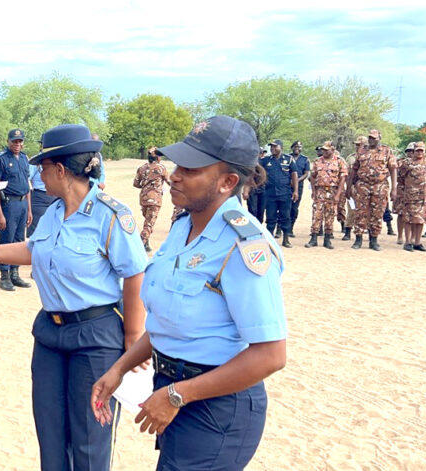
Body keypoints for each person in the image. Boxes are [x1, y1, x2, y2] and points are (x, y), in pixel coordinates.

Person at [91, 115, 287, 470]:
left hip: (216, 406)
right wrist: (120, 368)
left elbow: (270, 355)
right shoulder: (184, 227)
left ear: (228, 182)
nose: (174, 175)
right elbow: (171, 321)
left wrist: (178, 395)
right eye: (178, 163)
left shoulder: (243, 247)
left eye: (191, 169)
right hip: (172, 388)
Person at [0, 124, 147, 471]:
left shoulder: (110, 215)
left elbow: (134, 273)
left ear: (60, 170)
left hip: (96, 338)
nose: (38, 175)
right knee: (51, 434)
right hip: (51, 335)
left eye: (43, 168)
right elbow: (33, 249)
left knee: (88, 437)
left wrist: (133, 337)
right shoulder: (54, 211)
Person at [0, 128, 32, 291]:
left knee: (20, 241)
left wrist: (29, 210)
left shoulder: (24, 158)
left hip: (22, 204)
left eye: (20, 141)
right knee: (7, 240)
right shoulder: (0, 159)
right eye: (14, 141)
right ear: (8, 141)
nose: (18, 144)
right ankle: (4, 276)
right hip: (9, 204)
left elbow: (27, 185)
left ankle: (15, 273)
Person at [347, 129, 396, 251]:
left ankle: (373, 240)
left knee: (377, 213)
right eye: (370, 137)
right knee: (360, 212)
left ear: (379, 138)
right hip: (362, 186)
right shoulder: (362, 151)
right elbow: (354, 170)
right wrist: (348, 187)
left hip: (380, 186)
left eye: (374, 138)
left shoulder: (387, 151)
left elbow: (393, 169)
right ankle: (358, 239)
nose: (372, 140)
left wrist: (394, 188)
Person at [305, 141, 347, 249]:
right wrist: (314, 191)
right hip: (320, 191)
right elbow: (313, 176)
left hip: (332, 191)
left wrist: (338, 194)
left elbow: (342, 179)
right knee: (316, 214)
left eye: (326, 150)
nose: (324, 152)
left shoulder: (339, 161)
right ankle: (313, 238)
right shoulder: (318, 161)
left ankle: (327, 239)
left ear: (332, 150)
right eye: (323, 150)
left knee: (330, 215)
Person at [261, 139, 298, 247]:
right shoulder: (266, 160)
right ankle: (270, 240)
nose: (272, 148)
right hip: (270, 194)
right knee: (270, 217)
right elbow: (257, 169)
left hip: (285, 193)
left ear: (281, 147)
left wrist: (295, 191)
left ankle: (286, 239)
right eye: (271, 147)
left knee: (285, 216)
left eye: (275, 146)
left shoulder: (289, 159)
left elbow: (294, 175)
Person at [398, 142, 426, 252]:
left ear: (424, 152)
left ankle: (417, 242)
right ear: (413, 151)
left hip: (425, 197)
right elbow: (400, 178)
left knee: (421, 219)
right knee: (409, 219)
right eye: (417, 150)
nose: (419, 152)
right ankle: (408, 242)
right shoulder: (407, 164)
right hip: (411, 196)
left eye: (421, 150)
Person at [133, 146, 171, 251]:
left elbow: (136, 184)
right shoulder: (161, 168)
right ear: (157, 158)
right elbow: (169, 182)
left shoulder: (142, 168)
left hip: (144, 199)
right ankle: (139, 246)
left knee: (147, 221)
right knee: (149, 224)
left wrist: (146, 186)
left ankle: (146, 244)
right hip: (155, 199)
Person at [28, 135, 57, 237]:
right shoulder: (36, 160)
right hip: (39, 197)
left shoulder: (58, 159)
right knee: (36, 230)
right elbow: (28, 178)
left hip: (55, 197)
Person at [339, 137, 367, 240]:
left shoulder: (369, 157)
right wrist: (348, 187)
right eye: (356, 144)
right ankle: (347, 231)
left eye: (359, 144)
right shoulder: (351, 158)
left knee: (365, 211)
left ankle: (364, 231)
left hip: (365, 187)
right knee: (351, 210)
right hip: (353, 186)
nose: (357, 146)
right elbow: (347, 173)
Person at [289, 141, 310, 237]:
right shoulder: (287, 158)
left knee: (294, 208)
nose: (297, 148)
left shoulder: (305, 159)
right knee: (284, 207)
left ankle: (290, 229)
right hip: (287, 185)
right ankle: (280, 228)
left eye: (299, 147)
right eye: (296, 146)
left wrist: (296, 180)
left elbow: (306, 173)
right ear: (292, 148)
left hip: (299, 186)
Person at [394, 143, 414, 245]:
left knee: (415, 214)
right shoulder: (401, 162)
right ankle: (400, 236)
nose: (411, 153)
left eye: (413, 151)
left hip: (416, 192)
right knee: (401, 213)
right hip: (403, 190)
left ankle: (413, 237)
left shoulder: (423, 162)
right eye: (409, 151)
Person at [246, 147, 268, 222]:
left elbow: (265, 175)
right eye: (261, 153)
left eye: (263, 153)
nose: (262, 154)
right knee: (252, 210)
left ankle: (259, 227)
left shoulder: (265, 162)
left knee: (261, 211)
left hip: (263, 189)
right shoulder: (249, 163)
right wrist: (246, 191)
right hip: (252, 189)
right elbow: (248, 177)